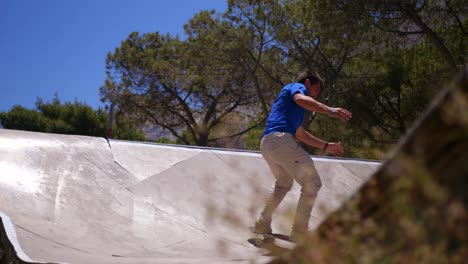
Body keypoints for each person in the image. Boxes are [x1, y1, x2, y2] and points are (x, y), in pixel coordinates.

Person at [250, 70, 352, 242]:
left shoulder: (292, 111)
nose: (316, 95)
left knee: (283, 184)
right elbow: (301, 99)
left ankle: (262, 223)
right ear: (307, 84)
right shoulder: (296, 88)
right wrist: (329, 111)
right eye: (316, 90)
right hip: (280, 141)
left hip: (268, 144)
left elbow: (300, 134)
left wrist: (326, 146)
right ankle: (299, 231)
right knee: (312, 183)